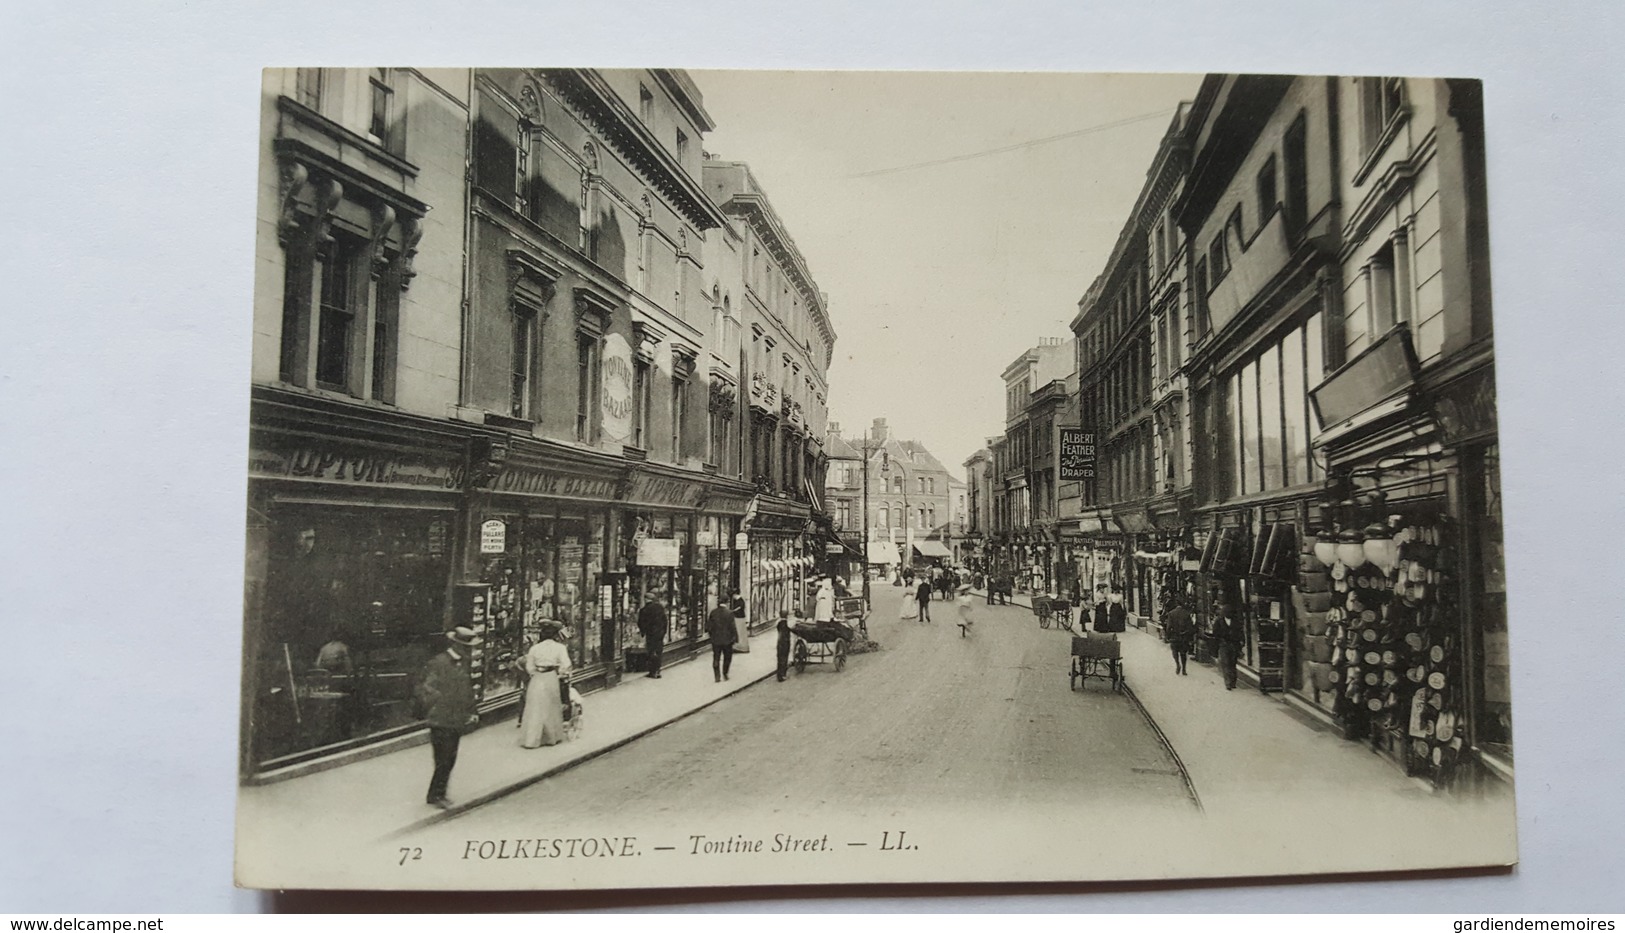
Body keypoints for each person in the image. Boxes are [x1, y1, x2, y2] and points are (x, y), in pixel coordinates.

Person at [414, 627, 480, 809]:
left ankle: (438, 793)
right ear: (456, 645)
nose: (469, 650)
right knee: (443, 758)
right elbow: (426, 688)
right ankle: (436, 795)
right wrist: (441, 702)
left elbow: (467, 690)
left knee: (449, 757)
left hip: (455, 718)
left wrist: (471, 710)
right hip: (441, 718)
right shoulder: (439, 662)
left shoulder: (462, 662)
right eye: (466, 646)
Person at [519, 622, 572, 748]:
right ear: (555, 636)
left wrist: (535, 673)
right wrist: (561, 673)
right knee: (551, 707)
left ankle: (532, 739)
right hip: (551, 677)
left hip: (537, 678)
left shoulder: (534, 648)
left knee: (535, 707)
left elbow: (529, 667)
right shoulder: (559, 648)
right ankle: (551, 737)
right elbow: (566, 664)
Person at [706, 597, 738, 683]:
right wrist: (735, 638)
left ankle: (717, 676)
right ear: (727, 602)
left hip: (716, 640)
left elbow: (709, 627)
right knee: (727, 657)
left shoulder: (713, 612)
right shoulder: (730, 613)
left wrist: (711, 636)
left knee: (716, 657)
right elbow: (733, 627)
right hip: (727, 640)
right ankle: (725, 673)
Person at [1213, 602, 1244, 690]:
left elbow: (1240, 633)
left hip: (1234, 645)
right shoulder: (1219, 621)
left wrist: (1241, 642)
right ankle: (1228, 683)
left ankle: (1233, 681)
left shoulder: (1236, 621)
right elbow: (1215, 634)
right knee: (1225, 663)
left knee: (1232, 663)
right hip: (1224, 645)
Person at [637, 594, 668, 679]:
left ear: (646, 599)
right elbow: (665, 620)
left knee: (651, 651)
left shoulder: (644, 610)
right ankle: (657, 670)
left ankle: (652, 671)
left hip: (650, 634)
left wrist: (643, 632)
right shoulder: (660, 608)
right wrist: (664, 631)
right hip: (660, 633)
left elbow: (641, 623)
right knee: (658, 651)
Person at [1163, 598, 1194, 676]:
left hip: (1174, 636)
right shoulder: (1186, 614)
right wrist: (1189, 637)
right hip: (1184, 637)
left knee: (1175, 652)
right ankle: (1184, 669)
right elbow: (1190, 627)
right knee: (1183, 653)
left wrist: (1167, 636)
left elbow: (1168, 626)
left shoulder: (1171, 613)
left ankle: (1177, 664)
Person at [775, 612, 795, 682]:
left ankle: (779, 675)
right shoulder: (787, 624)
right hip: (785, 642)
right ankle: (783, 675)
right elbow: (792, 629)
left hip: (779, 642)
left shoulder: (779, 623)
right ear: (786, 616)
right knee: (784, 658)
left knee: (779, 658)